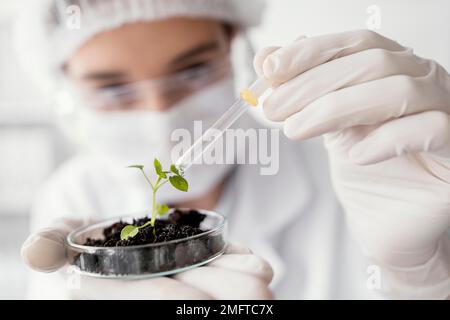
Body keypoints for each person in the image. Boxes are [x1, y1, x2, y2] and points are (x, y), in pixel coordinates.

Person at [17, 0, 450, 299]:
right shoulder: (73, 199)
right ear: (66, 89)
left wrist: (418, 278)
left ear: (236, 49)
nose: (160, 115)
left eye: (193, 68)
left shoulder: (363, 169)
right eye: (112, 88)